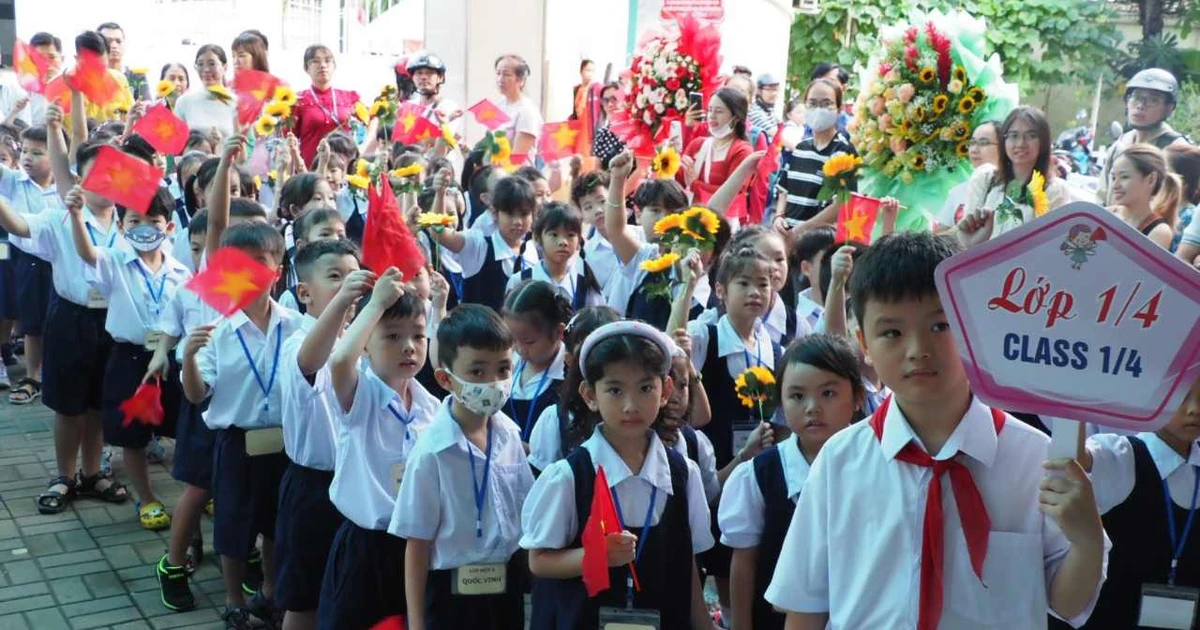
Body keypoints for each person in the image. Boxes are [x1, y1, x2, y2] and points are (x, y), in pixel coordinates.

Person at [765, 231, 1108, 628]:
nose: (917, 350)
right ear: (863, 343)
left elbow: (1065, 603)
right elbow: (806, 605)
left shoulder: (1034, 459)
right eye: (891, 332)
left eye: (940, 325)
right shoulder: (841, 461)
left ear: (975, 324)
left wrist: (1087, 539)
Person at [520, 320, 715, 629]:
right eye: (614, 390)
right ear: (590, 394)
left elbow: (685, 563)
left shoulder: (683, 474)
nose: (630, 405)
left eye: (645, 388)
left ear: (665, 390)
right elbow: (539, 560)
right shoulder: (569, 477)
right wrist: (594, 556)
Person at [181, 134, 300, 628]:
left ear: (278, 271)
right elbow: (196, 394)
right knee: (232, 528)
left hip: (284, 444)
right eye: (239, 266)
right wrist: (188, 358)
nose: (250, 272)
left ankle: (270, 594)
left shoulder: (298, 323)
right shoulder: (217, 318)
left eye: (263, 264)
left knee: (276, 525)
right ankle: (233, 600)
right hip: (234, 442)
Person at [0, 107, 129, 516]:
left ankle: (93, 473)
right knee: (68, 404)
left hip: (113, 322)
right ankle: (64, 475)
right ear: (79, 179)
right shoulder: (60, 217)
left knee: (96, 403)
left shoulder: (131, 223)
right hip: (70, 318)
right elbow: (20, 227)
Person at [393, 304, 534, 630]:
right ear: (445, 378)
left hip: (505, 586)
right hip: (450, 595)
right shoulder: (432, 453)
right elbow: (417, 544)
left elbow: (525, 515)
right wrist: (416, 624)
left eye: (503, 369)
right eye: (477, 372)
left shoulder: (510, 436)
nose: (494, 382)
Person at [66, 174, 189, 533]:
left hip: (170, 359)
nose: (144, 228)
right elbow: (87, 252)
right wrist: (76, 216)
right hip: (128, 358)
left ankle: (195, 494)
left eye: (153, 221)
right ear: (121, 226)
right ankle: (147, 498)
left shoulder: (180, 271)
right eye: (134, 220)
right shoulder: (114, 262)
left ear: (168, 226)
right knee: (132, 435)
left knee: (182, 428)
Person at [719, 333, 863, 630]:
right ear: (780, 401)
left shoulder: (877, 463)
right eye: (797, 396)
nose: (812, 407)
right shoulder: (760, 474)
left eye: (828, 394)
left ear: (858, 397)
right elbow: (744, 561)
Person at [1049, 377, 1200, 630]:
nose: (1195, 409)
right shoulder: (1121, 456)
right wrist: (1071, 390)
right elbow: (1069, 466)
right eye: (1181, 396)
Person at [271, 239, 368, 630]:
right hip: (313, 489)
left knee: (350, 593)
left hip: (357, 484)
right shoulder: (299, 340)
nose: (349, 285)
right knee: (304, 597)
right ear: (304, 292)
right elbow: (310, 362)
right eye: (335, 277)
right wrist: (345, 300)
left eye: (353, 275)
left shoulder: (363, 342)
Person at [4, 125, 63, 406]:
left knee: (57, 320)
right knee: (31, 323)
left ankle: (53, 373)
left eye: (37, 152)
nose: (27, 157)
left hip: (60, 261)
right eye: (24, 151)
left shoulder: (65, 187)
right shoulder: (14, 181)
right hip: (26, 259)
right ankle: (32, 376)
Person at [603, 152, 691, 330]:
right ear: (638, 214)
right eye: (656, 210)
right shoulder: (643, 258)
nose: (665, 218)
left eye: (673, 212)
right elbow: (615, 229)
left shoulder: (691, 261)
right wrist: (618, 178)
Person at [429, 175, 540, 313]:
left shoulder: (530, 250)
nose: (518, 222)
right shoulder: (478, 245)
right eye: (510, 214)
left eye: (524, 214)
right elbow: (438, 233)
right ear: (495, 213)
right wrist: (440, 194)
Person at [958, 106, 1072, 238]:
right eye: (1014, 135)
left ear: (1044, 142)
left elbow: (1047, 245)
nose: (1021, 143)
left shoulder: (1055, 190)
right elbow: (967, 235)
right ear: (1003, 141)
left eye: (1031, 136)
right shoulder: (985, 178)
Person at [1103, 68, 1190, 206]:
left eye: (1153, 100)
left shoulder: (1177, 150)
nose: (1140, 106)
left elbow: (1180, 206)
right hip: (1112, 225)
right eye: (1136, 97)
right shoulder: (1121, 143)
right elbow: (1102, 194)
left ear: (1169, 108)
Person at [775, 78, 856, 224]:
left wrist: (799, 232)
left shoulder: (844, 153)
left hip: (816, 241)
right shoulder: (800, 148)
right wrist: (778, 216)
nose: (818, 109)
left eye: (826, 104)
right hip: (786, 236)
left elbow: (841, 205)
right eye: (812, 103)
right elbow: (784, 189)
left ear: (839, 109)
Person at [501, 280, 570, 445]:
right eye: (513, 340)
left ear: (558, 332)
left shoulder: (568, 376)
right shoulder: (507, 364)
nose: (519, 349)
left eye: (529, 342)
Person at [507, 202, 605, 310]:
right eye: (554, 234)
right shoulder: (519, 281)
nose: (563, 242)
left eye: (570, 235)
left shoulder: (586, 286)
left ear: (579, 242)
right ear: (538, 237)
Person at [682, 87, 754, 229]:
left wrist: (695, 184)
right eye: (709, 110)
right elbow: (677, 180)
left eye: (719, 111)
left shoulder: (742, 150)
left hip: (723, 226)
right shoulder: (698, 144)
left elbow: (733, 195)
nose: (711, 116)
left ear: (737, 117)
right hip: (692, 221)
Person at [293, 45, 362, 168]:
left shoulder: (349, 97)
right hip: (311, 168)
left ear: (334, 66)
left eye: (328, 61)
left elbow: (374, 118)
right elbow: (289, 139)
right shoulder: (298, 100)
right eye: (315, 61)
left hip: (344, 168)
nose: (323, 65)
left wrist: (364, 147)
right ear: (306, 68)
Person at [1107, 144, 1178, 249]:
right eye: (1113, 178)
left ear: (1151, 179)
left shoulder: (1158, 232)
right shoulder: (1105, 214)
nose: (1115, 185)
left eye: (1124, 177)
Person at [937, 121, 1002, 228]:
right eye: (972, 143)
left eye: (983, 143)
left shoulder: (1011, 190)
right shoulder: (957, 191)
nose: (974, 150)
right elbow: (939, 236)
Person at [172, 45, 237, 139]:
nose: (206, 69)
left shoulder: (236, 102)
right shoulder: (184, 102)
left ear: (225, 67)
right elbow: (174, 141)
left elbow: (249, 142)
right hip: (193, 154)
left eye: (212, 64)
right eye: (200, 64)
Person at [494, 54, 543, 158]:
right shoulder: (499, 105)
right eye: (498, 73)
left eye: (506, 74)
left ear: (521, 80)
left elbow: (518, 157)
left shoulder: (527, 110)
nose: (500, 79)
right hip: (495, 170)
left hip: (516, 173)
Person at [97, 22, 148, 101]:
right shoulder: (92, 77)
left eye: (118, 41)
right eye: (108, 41)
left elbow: (147, 106)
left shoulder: (138, 76)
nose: (114, 45)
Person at [809, 62, 851, 136]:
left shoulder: (851, 127)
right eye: (819, 82)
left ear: (843, 88)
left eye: (830, 82)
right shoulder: (809, 123)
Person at [591, 82, 626, 168]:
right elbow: (598, 173)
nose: (610, 104)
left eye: (614, 99)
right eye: (605, 101)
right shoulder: (602, 134)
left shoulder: (636, 129)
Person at [750, 73, 781, 144]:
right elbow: (778, 135)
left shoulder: (769, 110)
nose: (774, 93)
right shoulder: (755, 111)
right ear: (758, 91)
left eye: (776, 89)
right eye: (769, 89)